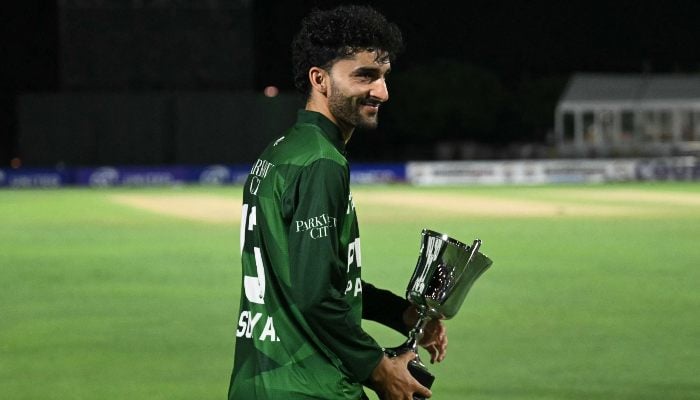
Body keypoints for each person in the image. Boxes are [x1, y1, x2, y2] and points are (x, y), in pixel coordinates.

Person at [228, 5, 447, 399]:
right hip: (311, 386)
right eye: (364, 75)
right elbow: (315, 297)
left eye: (383, 76)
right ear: (320, 79)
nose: (381, 91)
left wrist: (401, 313)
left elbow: (315, 278)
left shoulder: (282, 151)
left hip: (262, 378)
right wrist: (380, 371)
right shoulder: (322, 163)